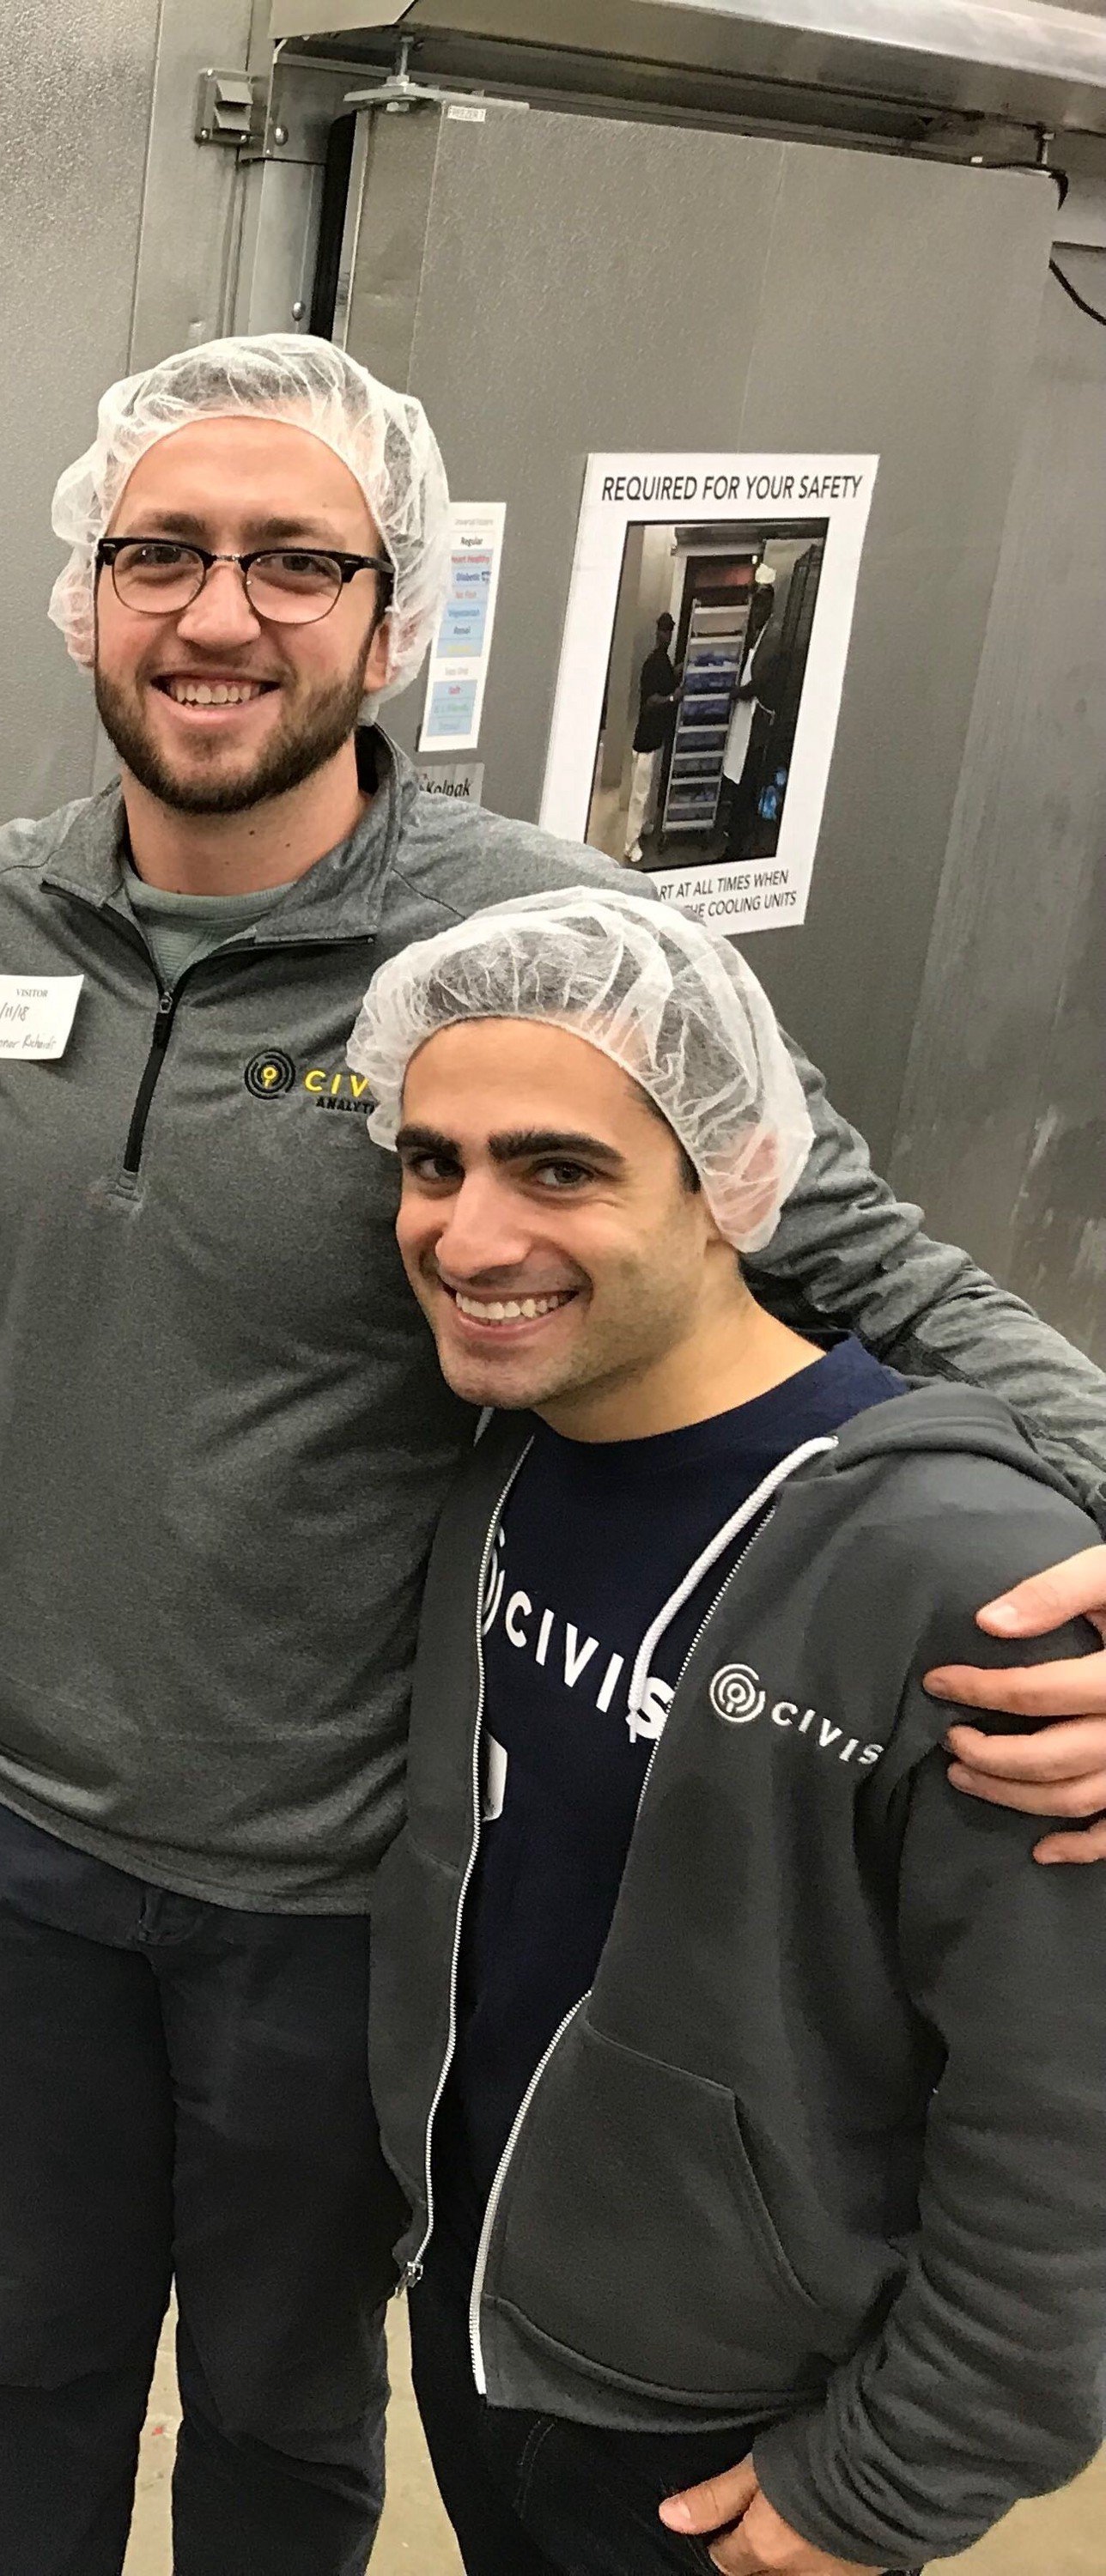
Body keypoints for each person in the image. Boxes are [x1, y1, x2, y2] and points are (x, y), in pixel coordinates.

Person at [0, 334, 1106, 2576]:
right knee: (20, 2359)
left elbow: (888, 1272)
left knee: (279, 2407)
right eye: (161, 553)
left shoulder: (548, 948)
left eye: (293, 562)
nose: (218, 614)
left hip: (335, 1892)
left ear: (396, 614)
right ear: (86, 594)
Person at [348, 886, 1106, 2576]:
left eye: (557, 1168)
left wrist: (890, 2479)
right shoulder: (509, 1462)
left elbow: (1059, 2112)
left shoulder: (956, 1580)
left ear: (731, 1180)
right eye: (429, 1163)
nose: (467, 1238)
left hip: (730, 2421)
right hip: (501, 2311)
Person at [627, 611, 678, 863]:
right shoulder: (653, 663)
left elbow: (665, 683)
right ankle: (630, 843)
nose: (667, 634)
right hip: (646, 738)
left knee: (648, 789)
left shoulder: (663, 661)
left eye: (670, 630)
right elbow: (649, 702)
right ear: (658, 631)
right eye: (664, 630)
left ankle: (644, 826)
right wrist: (672, 698)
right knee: (639, 794)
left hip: (655, 737)